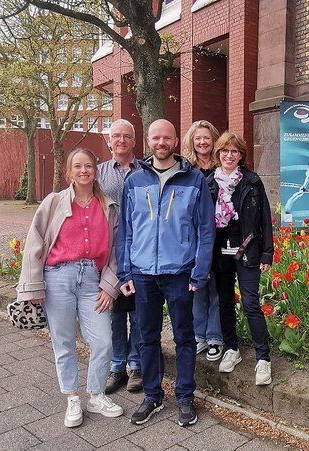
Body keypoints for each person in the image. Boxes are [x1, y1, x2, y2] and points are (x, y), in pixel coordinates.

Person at [117, 119, 215, 427]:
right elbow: (126, 230)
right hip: (143, 273)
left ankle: (185, 396)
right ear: (148, 141)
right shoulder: (133, 181)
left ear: (175, 141)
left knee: (184, 337)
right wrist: (125, 272)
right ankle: (153, 395)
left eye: (167, 138)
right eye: (156, 137)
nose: (161, 142)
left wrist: (199, 272)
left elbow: (205, 229)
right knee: (147, 337)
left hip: (180, 273)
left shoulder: (194, 179)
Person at [17, 148, 124, 428]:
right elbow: (34, 244)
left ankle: (96, 394)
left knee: (103, 340)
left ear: (96, 170)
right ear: (69, 172)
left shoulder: (109, 207)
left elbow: (117, 252)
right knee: (63, 343)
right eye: (78, 166)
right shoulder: (53, 202)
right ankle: (72, 397)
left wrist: (109, 286)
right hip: (57, 278)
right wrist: (33, 288)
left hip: (92, 279)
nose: (84, 170)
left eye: (89, 165)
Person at [207, 132, 274, 385]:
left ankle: (263, 358)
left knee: (250, 304)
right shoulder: (209, 183)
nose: (229, 155)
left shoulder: (252, 181)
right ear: (218, 154)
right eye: (225, 151)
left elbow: (265, 220)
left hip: (248, 252)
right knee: (224, 302)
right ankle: (232, 349)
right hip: (219, 252)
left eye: (234, 151)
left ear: (241, 155)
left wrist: (267, 253)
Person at [98, 119, 143, 395]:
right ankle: (118, 365)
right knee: (114, 312)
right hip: (109, 253)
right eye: (116, 136)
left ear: (134, 141)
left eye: (127, 136)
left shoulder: (147, 171)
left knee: (139, 310)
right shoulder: (99, 173)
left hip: (140, 251)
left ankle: (136, 364)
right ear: (109, 141)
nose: (121, 140)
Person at [182, 120, 223, 362]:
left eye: (207, 138)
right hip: (193, 235)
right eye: (198, 138)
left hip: (219, 235)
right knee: (196, 287)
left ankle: (215, 337)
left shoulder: (223, 168)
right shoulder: (187, 169)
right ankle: (200, 335)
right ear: (192, 141)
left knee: (216, 288)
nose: (203, 142)